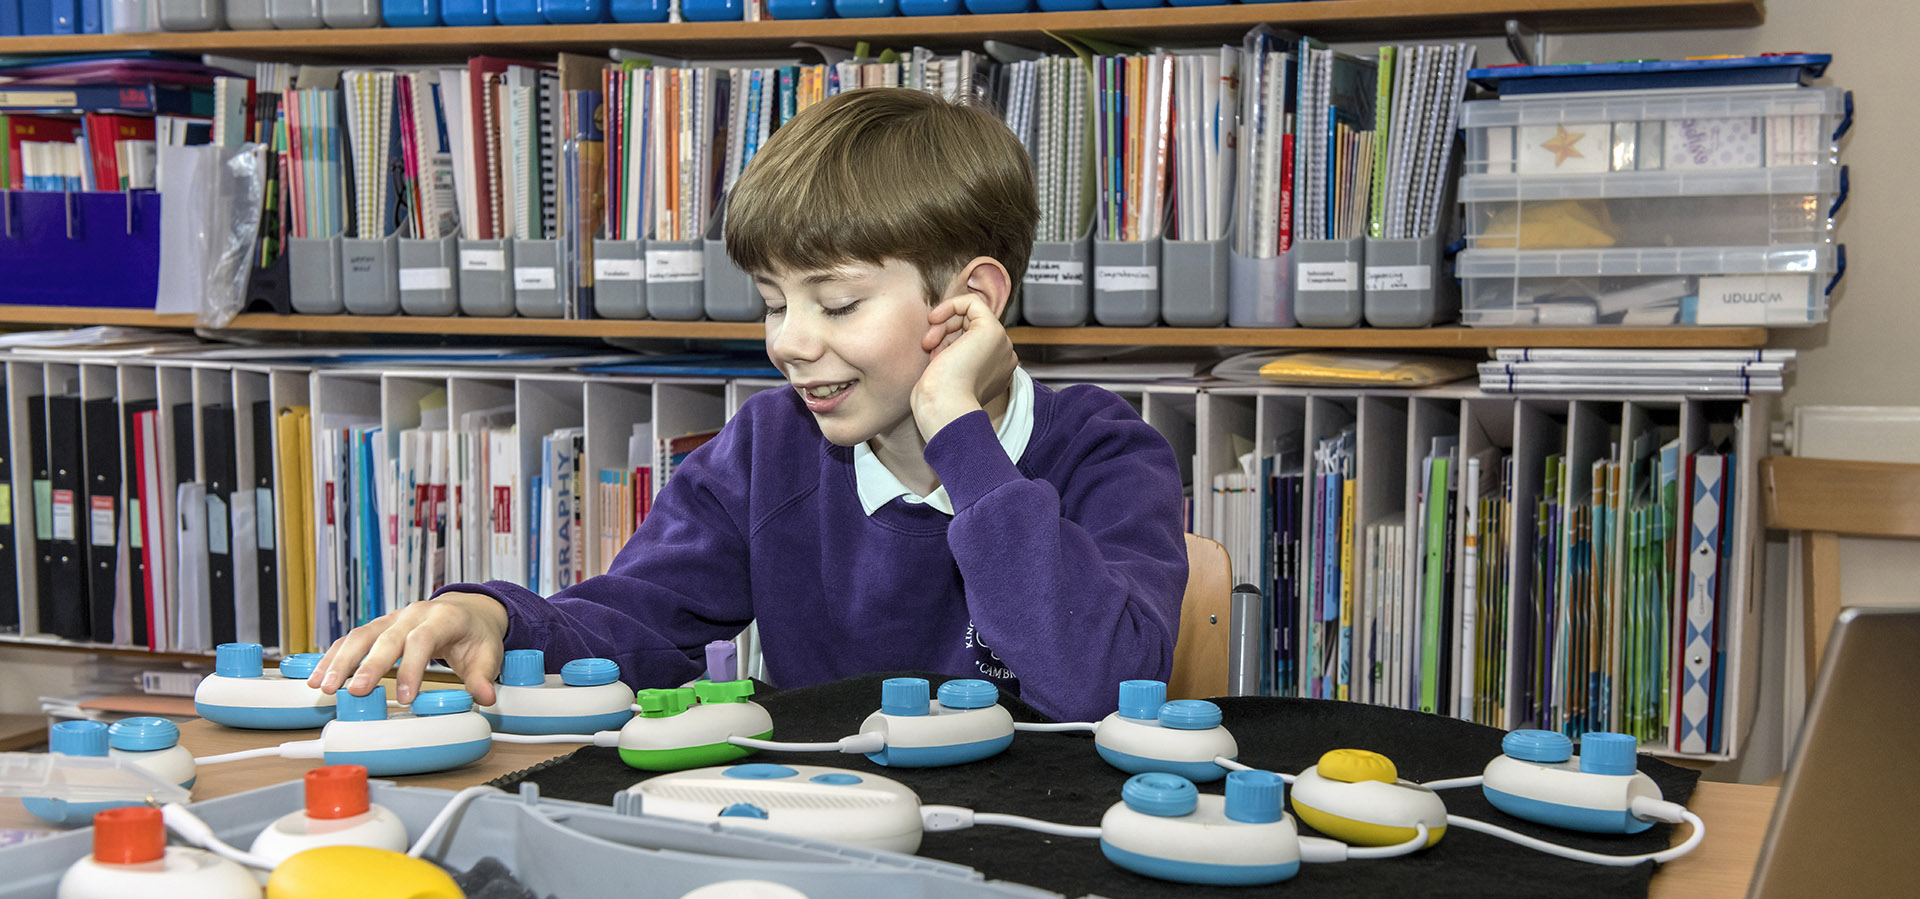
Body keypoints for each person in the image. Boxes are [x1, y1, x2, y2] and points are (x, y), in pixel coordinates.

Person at [310, 87, 1188, 722]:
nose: (790, 342)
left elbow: (1100, 684)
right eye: (774, 302)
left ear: (973, 301)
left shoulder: (1107, 453)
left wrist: (959, 430)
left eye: (837, 303)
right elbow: (639, 618)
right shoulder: (772, 445)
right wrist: (495, 615)